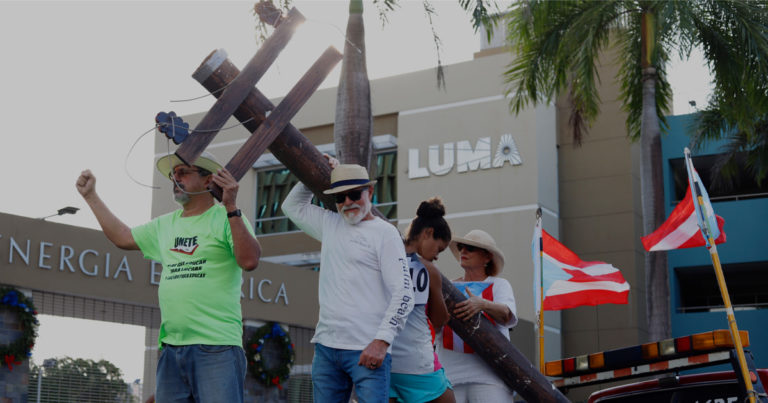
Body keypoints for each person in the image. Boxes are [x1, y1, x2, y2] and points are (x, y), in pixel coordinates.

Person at [76, 151, 261, 403]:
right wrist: (91, 196)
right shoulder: (164, 225)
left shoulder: (226, 217)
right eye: (173, 175)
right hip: (171, 349)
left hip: (217, 347)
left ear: (208, 180)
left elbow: (249, 261)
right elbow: (122, 237)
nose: (175, 179)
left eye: (183, 173)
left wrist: (231, 206)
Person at [281, 155, 414, 403]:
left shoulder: (385, 233)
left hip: (367, 348)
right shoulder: (330, 223)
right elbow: (291, 207)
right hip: (326, 349)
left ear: (370, 191)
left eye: (354, 194)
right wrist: (315, 169)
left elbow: (404, 293)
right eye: (340, 197)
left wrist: (382, 341)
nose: (348, 202)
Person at [436, 229, 517, 403]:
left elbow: (507, 315)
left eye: (470, 248)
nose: (463, 251)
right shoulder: (447, 286)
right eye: (461, 247)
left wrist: (482, 304)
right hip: (450, 377)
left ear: (487, 257)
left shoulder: (499, 284)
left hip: (490, 377)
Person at [389, 197, 455, 403]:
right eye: (439, 249)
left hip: (384, 360)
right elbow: (440, 319)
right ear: (428, 233)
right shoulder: (428, 269)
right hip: (417, 362)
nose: (436, 256)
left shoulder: (385, 257)